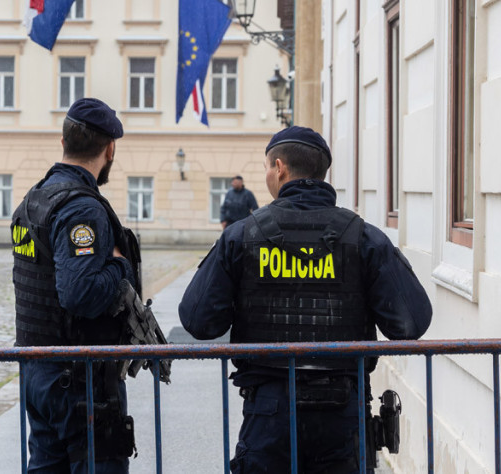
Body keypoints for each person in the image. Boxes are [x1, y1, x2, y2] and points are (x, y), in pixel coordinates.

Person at [178, 126, 432, 473]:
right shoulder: (364, 237)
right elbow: (410, 323)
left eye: (267, 168)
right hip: (342, 412)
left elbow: (199, 322)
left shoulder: (241, 235)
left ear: (279, 168)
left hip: (268, 411)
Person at [11, 97, 140, 473]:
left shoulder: (32, 199)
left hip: (39, 369)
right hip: (80, 381)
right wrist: (119, 266)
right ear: (110, 148)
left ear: (64, 141)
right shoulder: (81, 208)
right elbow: (79, 294)